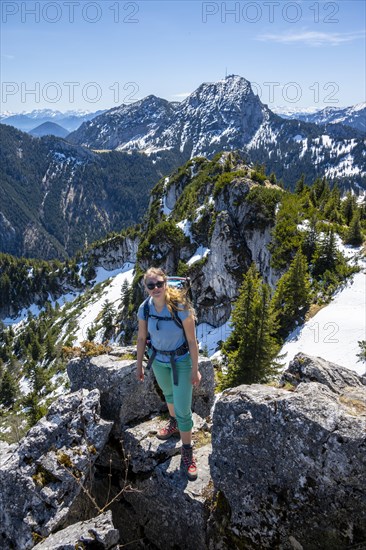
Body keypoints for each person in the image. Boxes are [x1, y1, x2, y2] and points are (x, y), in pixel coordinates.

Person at [136, 267, 201, 480]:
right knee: (168, 395)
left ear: (165, 283)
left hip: (180, 362)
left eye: (159, 284)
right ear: (145, 288)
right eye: (151, 285)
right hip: (159, 361)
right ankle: (173, 423)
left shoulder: (180, 306)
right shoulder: (145, 309)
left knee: (183, 409)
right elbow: (141, 337)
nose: (155, 289)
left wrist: (195, 369)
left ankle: (187, 451)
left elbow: (192, 341)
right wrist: (139, 365)